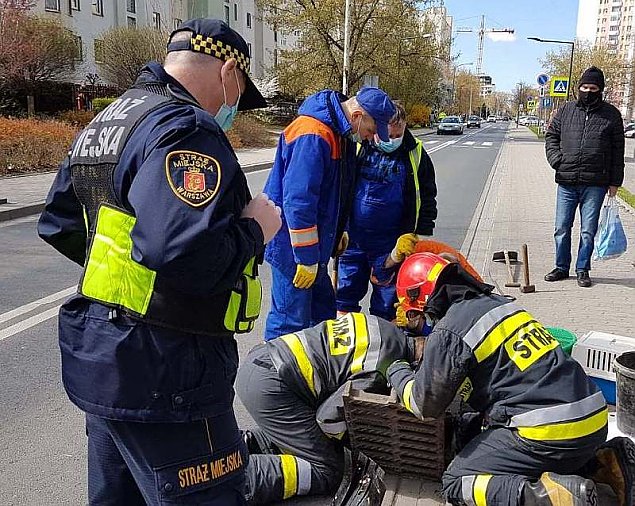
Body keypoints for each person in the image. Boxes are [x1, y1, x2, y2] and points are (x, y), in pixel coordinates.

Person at [37, 19, 282, 505]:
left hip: (105, 359)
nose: (230, 108)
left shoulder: (109, 122)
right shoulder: (187, 127)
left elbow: (61, 223)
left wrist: (129, 284)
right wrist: (256, 230)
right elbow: (184, 254)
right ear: (230, 71)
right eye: (236, 93)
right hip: (171, 375)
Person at [387, 252, 634, 506]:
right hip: (593, 421)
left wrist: (396, 370)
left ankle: (554, 497)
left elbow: (424, 405)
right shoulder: (499, 304)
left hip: (552, 433)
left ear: (422, 298)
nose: (422, 320)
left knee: (458, 480)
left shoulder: (449, 330)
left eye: (418, 313)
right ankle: (605, 462)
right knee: (483, 429)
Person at [236, 312, 420, 504]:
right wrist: (354, 441)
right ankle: (239, 480)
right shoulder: (381, 368)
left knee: (305, 433)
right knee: (327, 470)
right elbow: (327, 419)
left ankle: (244, 446)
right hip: (272, 388)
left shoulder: (383, 326)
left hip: (263, 360)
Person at [263, 87, 396, 340]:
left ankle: (314, 375)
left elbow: (336, 193)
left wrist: (340, 232)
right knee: (290, 325)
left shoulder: (339, 135)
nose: (369, 137)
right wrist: (306, 257)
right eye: (370, 130)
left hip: (315, 250)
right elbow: (299, 201)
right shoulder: (312, 133)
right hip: (294, 250)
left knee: (321, 319)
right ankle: (276, 377)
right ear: (357, 116)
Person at [335, 102, 437, 321]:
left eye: (397, 134)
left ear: (405, 127)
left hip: (390, 245)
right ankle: (345, 346)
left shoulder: (416, 153)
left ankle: (383, 346)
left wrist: (418, 236)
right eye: (386, 135)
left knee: (386, 303)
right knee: (344, 297)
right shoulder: (360, 145)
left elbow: (427, 197)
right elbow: (341, 185)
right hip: (353, 239)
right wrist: (337, 228)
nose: (391, 140)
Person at [544, 66, 624, 288]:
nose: (588, 91)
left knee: (588, 230)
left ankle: (582, 269)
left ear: (600, 90)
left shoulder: (611, 115)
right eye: (585, 86)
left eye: (593, 87)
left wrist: (615, 182)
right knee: (561, 227)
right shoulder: (566, 110)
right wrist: (556, 160)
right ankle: (561, 267)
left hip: (595, 183)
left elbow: (618, 151)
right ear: (578, 87)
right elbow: (551, 136)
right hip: (566, 181)